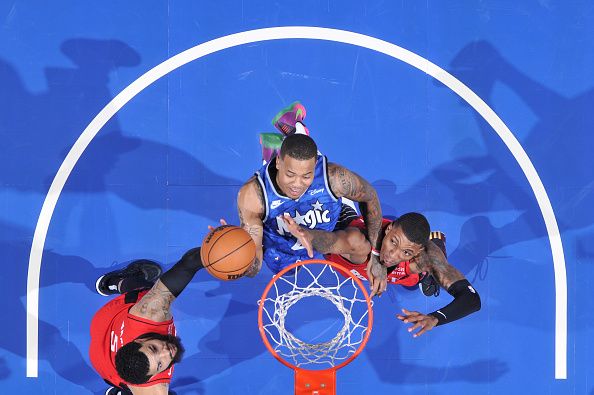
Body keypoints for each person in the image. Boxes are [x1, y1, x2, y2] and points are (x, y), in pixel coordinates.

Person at [238, 109, 386, 295]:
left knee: (361, 249)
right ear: (278, 162)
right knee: (287, 272)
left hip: (324, 232)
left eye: (306, 176)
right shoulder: (252, 194)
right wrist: (237, 257)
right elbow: (255, 264)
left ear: (315, 166)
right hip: (280, 246)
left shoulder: (333, 177)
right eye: (291, 175)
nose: (298, 184)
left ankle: (294, 132)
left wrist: (376, 254)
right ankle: (288, 136)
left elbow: (370, 196)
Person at [282, 211, 481, 338]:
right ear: (389, 229)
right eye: (393, 242)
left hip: (405, 272)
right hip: (344, 230)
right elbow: (331, 241)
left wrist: (435, 318)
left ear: (416, 252)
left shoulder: (422, 257)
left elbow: (472, 299)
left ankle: (435, 246)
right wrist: (305, 234)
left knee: (428, 267)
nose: (392, 255)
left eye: (406, 252)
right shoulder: (358, 245)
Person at [89, 248, 205, 395]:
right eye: (160, 364)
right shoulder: (155, 390)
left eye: (154, 348)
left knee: (148, 292)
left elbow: (189, 264)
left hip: (105, 321)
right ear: (150, 377)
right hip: (105, 367)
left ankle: (113, 283)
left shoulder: (148, 314)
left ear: (140, 340)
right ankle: (124, 391)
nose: (166, 353)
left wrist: (217, 248)